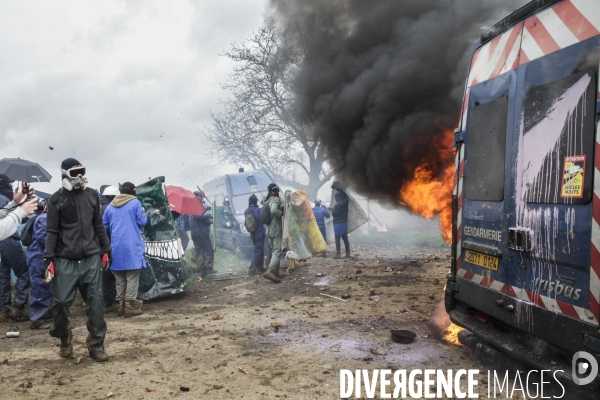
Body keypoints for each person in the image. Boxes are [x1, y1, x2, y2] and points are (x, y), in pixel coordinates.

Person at [42, 158, 112, 362]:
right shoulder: (56, 199)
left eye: (82, 171)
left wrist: (107, 249)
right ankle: (64, 337)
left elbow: (99, 225)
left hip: (90, 257)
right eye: (74, 173)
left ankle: (96, 345)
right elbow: (52, 231)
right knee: (61, 302)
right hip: (65, 259)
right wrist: (47, 258)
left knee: (96, 303)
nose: (80, 177)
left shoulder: (91, 195)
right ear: (65, 175)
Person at [103, 182, 148, 317]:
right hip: (132, 246)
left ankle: (121, 306)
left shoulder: (110, 207)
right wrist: (143, 213)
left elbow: (104, 226)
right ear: (133, 191)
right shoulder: (135, 203)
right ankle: (129, 305)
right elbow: (143, 222)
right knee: (133, 276)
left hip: (115, 247)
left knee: (120, 279)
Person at [0, 176, 37, 322]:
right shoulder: (3, 197)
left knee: (3, 274)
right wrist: (22, 210)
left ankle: (3, 310)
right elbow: (9, 221)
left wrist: (17, 203)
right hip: (9, 239)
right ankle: (19, 308)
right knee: (22, 272)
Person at [26, 202, 52, 329]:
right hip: (39, 256)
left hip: (39, 255)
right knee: (41, 285)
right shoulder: (44, 218)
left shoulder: (42, 217)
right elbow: (43, 237)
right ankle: (37, 319)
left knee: (45, 284)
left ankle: (45, 313)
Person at [99, 185, 119, 313]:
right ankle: (109, 301)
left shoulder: (96, 206)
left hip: (97, 246)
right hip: (108, 244)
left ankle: (105, 300)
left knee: (102, 273)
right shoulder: (109, 208)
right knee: (109, 274)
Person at [190, 193, 214, 277]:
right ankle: (208, 267)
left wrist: (208, 222)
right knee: (209, 250)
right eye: (201, 197)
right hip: (201, 232)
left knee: (200, 251)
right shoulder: (195, 206)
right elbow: (199, 216)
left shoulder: (191, 205)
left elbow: (200, 220)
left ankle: (201, 271)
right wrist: (209, 215)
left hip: (195, 232)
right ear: (198, 197)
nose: (202, 199)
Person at [263, 183, 283, 283]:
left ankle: (276, 272)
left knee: (274, 250)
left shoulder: (266, 201)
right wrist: (281, 213)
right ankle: (270, 270)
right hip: (275, 229)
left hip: (269, 230)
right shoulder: (275, 199)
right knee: (277, 251)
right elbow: (274, 210)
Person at [244, 194, 265, 276]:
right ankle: (251, 268)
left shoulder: (246, 211)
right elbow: (262, 219)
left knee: (259, 250)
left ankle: (260, 267)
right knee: (258, 251)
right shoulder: (258, 210)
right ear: (256, 201)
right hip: (259, 233)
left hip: (252, 234)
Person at [331, 185, 351, 259]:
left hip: (337, 223)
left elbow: (334, 214)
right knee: (345, 238)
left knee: (337, 238)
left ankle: (338, 253)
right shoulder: (346, 204)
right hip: (344, 222)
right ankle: (348, 253)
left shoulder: (337, 205)